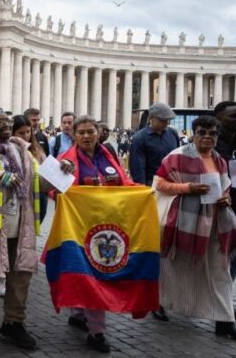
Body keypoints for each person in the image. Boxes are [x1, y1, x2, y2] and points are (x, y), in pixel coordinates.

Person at [0, 106, 71, 349]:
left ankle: (13, 323)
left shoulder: (22, 150)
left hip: (21, 227)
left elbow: (38, 183)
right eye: (0, 120)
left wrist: (62, 173)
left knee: (20, 279)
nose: (7, 124)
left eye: (8, 120)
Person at [154, 115, 236, 342]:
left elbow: (223, 185)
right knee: (172, 269)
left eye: (212, 133)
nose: (207, 137)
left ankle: (225, 323)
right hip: (184, 223)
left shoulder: (219, 159)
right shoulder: (176, 156)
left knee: (221, 274)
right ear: (193, 134)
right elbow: (159, 184)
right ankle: (160, 303)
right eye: (202, 133)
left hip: (216, 225)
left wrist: (226, 199)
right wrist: (188, 187)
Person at [58, 115, 134, 353]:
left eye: (90, 131)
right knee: (88, 274)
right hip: (79, 226)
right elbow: (53, 191)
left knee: (96, 274)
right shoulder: (66, 160)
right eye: (81, 133)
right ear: (74, 135)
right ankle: (96, 331)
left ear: (98, 133)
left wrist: (142, 192)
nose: (86, 136)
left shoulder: (108, 155)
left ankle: (83, 316)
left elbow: (122, 182)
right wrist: (63, 177)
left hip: (108, 226)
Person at [213, 102, 236, 321]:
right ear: (219, 118)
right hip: (215, 208)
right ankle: (221, 309)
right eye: (233, 116)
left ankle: (223, 305)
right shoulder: (210, 142)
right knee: (214, 260)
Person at [129, 102, 179, 186]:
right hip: (152, 186)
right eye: (162, 120)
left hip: (173, 185)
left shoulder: (173, 133)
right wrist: (143, 189)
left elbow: (178, 159)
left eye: (168, 120)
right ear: (151, 117)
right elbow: (138, 169)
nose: (166, 123)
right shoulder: (139, 138)